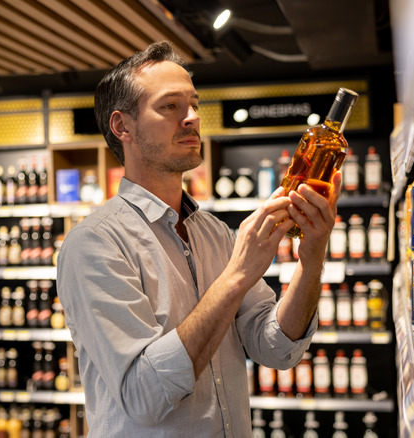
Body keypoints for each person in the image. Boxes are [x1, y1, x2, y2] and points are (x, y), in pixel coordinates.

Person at [57, 41, 341, 437]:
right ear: (123, 127)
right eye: (170, 106)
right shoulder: (94, 245)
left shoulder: (213, 233)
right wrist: (238, 275)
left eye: (193, 103)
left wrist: (312, 259)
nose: (191, 117)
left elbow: (276, 347)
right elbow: (144, 394)